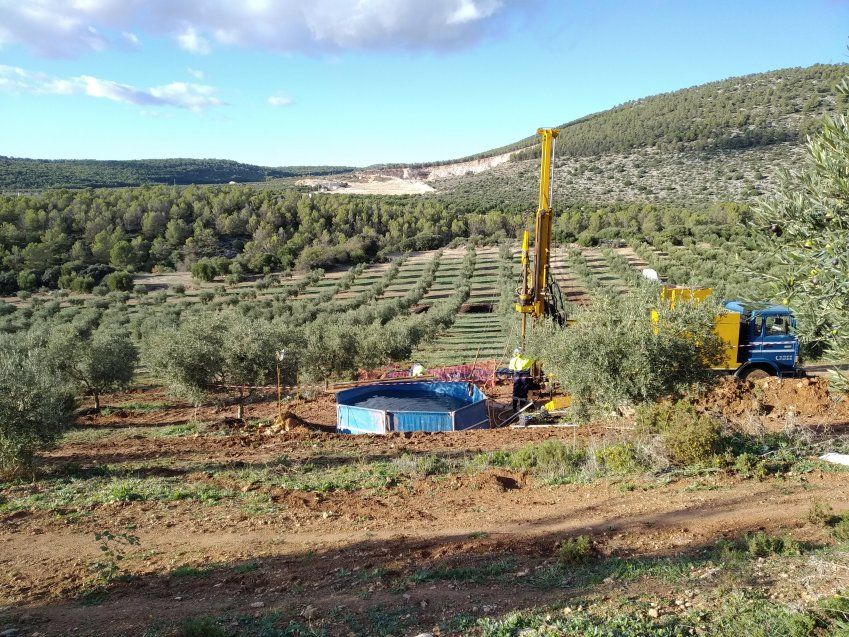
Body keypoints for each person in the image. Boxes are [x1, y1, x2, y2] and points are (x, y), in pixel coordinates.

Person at [508, 347, 533, 412]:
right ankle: (522, 408)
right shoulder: (528, 359)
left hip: (517, 375)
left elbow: (510, 369)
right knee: (524, 391)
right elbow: (533, 360)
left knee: (516, 391)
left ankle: (514, 408)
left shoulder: (513, 360)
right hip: (525, 376)